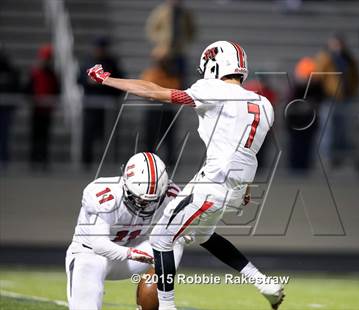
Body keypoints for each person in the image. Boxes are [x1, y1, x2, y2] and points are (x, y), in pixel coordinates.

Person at [86, 40, 283, 310]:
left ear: (214, 65)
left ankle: (167, 307)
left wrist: (109, 80)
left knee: (161, 238)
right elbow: (247, 150)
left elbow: (156, 92)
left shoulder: (211, 88)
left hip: (214, 180)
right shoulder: (263, 103)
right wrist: (244, 187)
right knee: (203, 235)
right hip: (237, 183)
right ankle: (264, 283)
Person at [66, 152, 184, 310]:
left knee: (175, 238)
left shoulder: (171, 194)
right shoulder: (105, 193)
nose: (144, 206)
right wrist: (133, 253)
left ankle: (163, 300)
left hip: (132, 257)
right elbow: (99, 245)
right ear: (125, 183)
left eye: (151, 201)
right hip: (90, 256)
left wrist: (187, 229)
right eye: (139, 199)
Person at [316, 34, 359, 168]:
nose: (338, 47)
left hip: (344, 99)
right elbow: (318, 76)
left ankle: (341, 158)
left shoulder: (349, 59)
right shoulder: (325, 58)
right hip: (329, 99)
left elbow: (356, 77)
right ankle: (327, 158)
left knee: (343, 129)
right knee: (328, 130)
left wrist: (352, 91)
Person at [79, 37, 123, 168]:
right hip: (91, 106)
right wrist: (89, 82)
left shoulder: (112, 63)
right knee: (88, 135)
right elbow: (80, 79)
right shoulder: (87, 62)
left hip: (107, 107)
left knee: (109, 136)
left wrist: (105, 83)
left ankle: (110, 162)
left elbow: (119, 82)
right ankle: (86, 163)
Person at [140, 56, 182, 167]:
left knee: (169, 139)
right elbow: (147, 88)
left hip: (167, 111)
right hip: (154, 110)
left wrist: (159, 90)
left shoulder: (172, 74)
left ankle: (170, 163)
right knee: (151, 138)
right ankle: (149, 162)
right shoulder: (152, 73)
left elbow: (174, 89)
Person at [285, 57, 324, 173]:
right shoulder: (296, 88)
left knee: (306, 148)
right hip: (296, 123)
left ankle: (303, 168)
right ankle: (295, 169)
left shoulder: (316, 88)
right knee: (296, 147)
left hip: (308, 123)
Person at [146, 0, 195, 87]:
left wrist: (184, 42)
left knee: (180, 78)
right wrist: (161, 42)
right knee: (161, 76)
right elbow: (152, 29)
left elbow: (191, 30)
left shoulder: (185, 13)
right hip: (164, 52)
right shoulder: (161, 11)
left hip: (179, 51)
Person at [27, 44, 60, 170]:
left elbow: (57, 90)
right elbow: (28, 89)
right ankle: (34, 161)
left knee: (45, 138)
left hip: (47, 110)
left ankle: (43, 162)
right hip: (36, 109)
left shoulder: (52, 74)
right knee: (35, 137)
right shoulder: (35, 73)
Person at [0, 46, 20, 168]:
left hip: (6, 108)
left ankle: (4, 160)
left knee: (4, 135)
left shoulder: (11, 70)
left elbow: (16, 86)